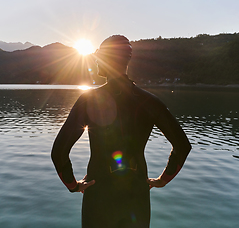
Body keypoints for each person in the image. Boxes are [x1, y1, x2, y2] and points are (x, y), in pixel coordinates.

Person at [51, 35, 191, 228]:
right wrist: (162, 180)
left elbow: (59, 152)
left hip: (99, 193)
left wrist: (73, 185)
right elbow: (183, 146)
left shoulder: (88, 100)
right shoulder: (150, 102)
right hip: (136, 193)